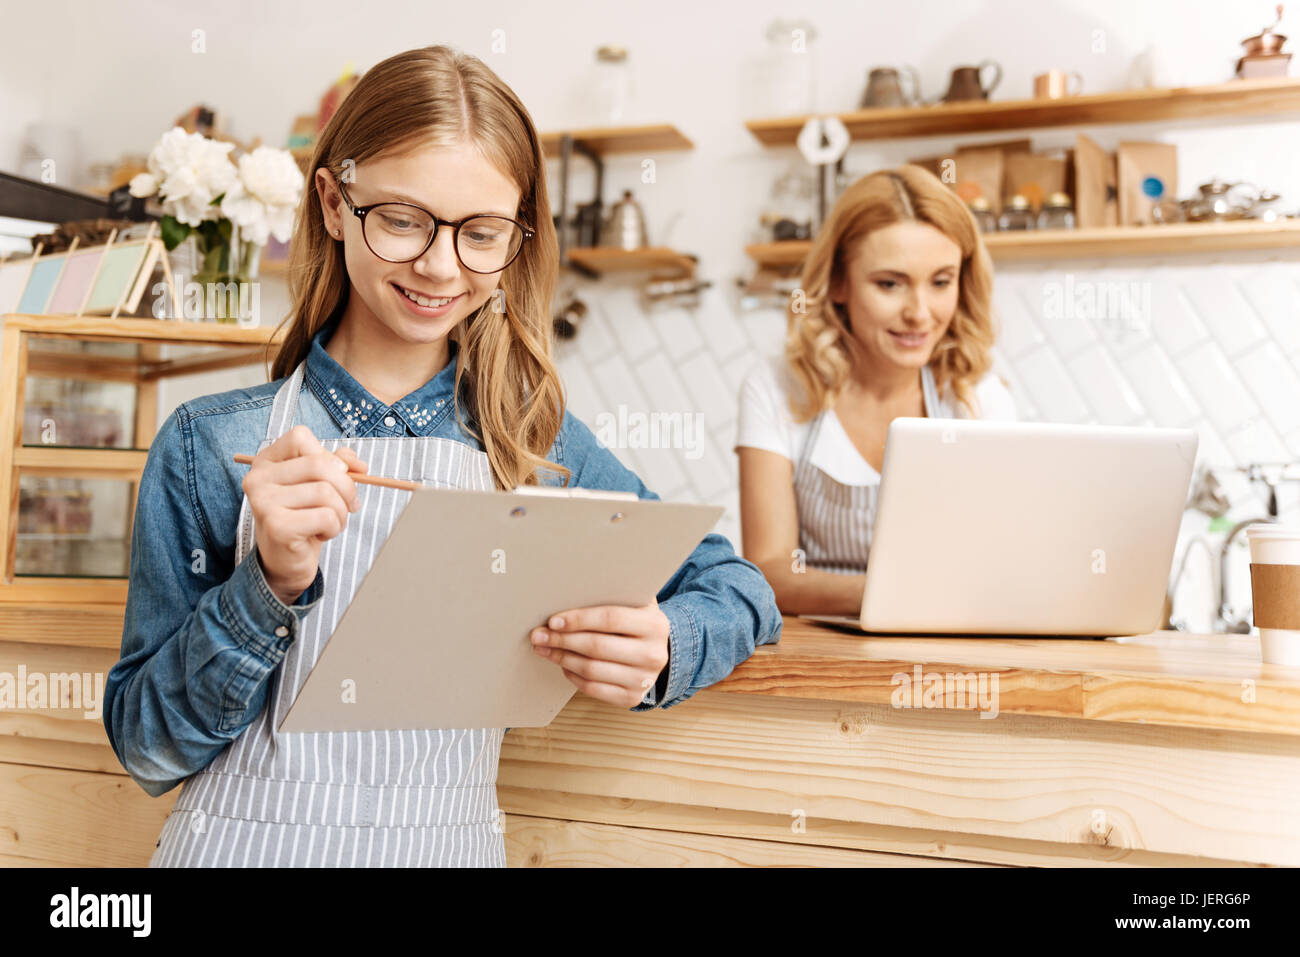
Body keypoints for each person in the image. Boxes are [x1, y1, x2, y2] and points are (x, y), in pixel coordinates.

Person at [103, 44, 781, 868]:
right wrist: (266, 585)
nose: (439, 264)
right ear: (331, 200)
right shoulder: (208, 443)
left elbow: (742, 587)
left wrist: (670, 642)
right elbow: (145, 751)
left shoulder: (531, 445)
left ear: (516, 238)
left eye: (481, 233)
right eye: (401, 219)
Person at [735, 165, 1017, 617]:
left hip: (946, 648)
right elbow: (768, 568)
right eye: (890, 284)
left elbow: (1002, 562)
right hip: (815, 655)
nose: (920, 314)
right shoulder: (775, 387)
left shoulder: (976, 394)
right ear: (839, 283)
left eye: (941, 282)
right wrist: (895, 597)